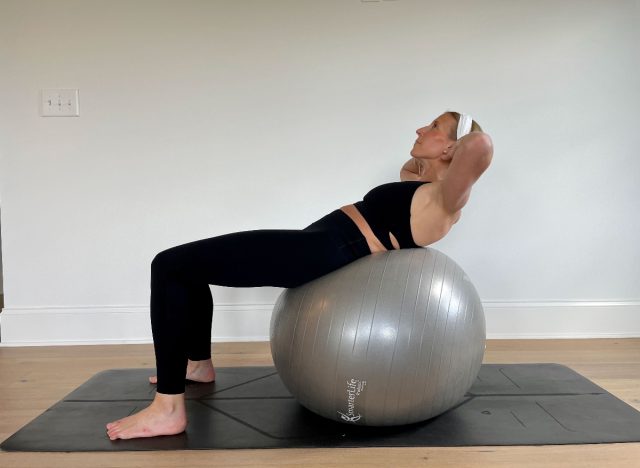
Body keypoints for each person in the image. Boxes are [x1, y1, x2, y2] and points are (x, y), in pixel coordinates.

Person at [106, 111, 494, 440]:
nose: (420, 130)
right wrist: (439, 153)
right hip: (314, 243)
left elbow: (479, 149)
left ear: (451, 149)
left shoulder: (442, 203)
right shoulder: (423, 187)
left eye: (433, 127)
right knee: (187, 269)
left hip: (316, 253)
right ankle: (197, 365)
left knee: (169, 265)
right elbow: (413, 167)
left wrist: (466, 137)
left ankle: (168, 409)